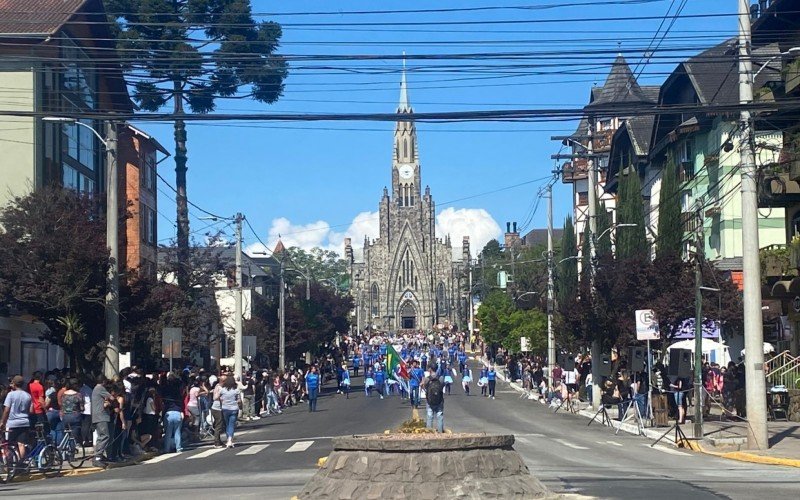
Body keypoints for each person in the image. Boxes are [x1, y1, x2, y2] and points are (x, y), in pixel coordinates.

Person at [0, 375, 32, 460]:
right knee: (21, 444)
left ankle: (12, 463)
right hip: (24, 422)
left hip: (13, 423)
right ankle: (21, 463)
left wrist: (3, 422)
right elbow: (30, 410)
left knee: (11, 444)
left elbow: (7, 410)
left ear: (14, 384)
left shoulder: (11, 395)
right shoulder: (28, 395)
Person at [91, 375, 113, 467]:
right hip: (101, 416)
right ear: (103, 381)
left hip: (97, 415)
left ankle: (99, 455)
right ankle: (98, 456)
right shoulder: (100, 388)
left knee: (101, 436)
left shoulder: (96, 389)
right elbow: (111, 397)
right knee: (105, 436)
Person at [160, 373, 184, 453]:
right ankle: (179, 448)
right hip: (177, 412)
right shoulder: (178, 391)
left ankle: (167, 449)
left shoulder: (165, 390)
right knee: (177, 432)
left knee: (168, 433)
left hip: (169, 413)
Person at [219, 374, 242, 448]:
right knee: (232, 425)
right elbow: (239, 400)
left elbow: (221, 399)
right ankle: (230, 439)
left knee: (227, 424)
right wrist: (240, 406)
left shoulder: (222, 390)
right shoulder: (236, 390)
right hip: (234, 408)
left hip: (225, 408)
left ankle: (228, 439)